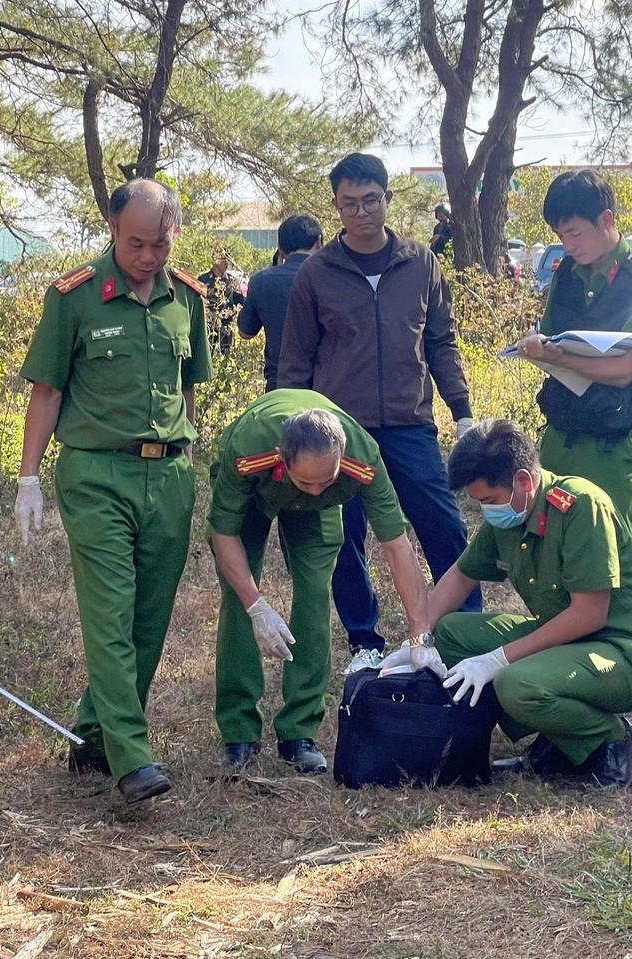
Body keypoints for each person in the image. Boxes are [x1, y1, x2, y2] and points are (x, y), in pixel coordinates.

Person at [14, 179, 212, 805]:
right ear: (112, 227)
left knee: (149, 617)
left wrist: (185, 447)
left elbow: (186, 389)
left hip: (170, 475)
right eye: (136, 243)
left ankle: (95, 734)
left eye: (160, 244)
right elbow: (46, 391)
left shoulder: (189, 299)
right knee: (109, 613)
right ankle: (132, 757)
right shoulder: (75, 297)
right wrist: (28, 477)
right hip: (97, 472)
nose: (149, 256)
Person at [397, 419, 632, 788]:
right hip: (568, 642)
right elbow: (460, 576)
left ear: (523, 480)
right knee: (452, 633)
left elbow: (589, 614)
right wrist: (417, 640)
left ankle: (609, 739)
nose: (486, 511)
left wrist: (498, 658)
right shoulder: (510, 512)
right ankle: (557, 735)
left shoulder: (581, 506)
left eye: (488, 500)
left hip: (625, 652)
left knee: (516, 683)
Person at [278, 152, 480, 675]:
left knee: (443, 527)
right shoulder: (318, 274)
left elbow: (441, 342)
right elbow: (295, 359)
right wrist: (292, 427)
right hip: (339, 432)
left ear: (388, 199)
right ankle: (364, 641)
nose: (362, 212)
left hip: (410, 424)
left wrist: (462, 412)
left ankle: (463, 630)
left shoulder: (420, 263)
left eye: (371, 200)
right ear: (336, 207)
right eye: (349, 204)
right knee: (346, 536)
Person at [208, 390, 431, 774]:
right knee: (239, 598)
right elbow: (223, 533)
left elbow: (397, 547)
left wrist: (419, 634)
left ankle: (299, 732)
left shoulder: (363, 458)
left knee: (314, 595)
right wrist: (256, 604)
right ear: (283, 457)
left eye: (324, 479)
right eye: (305, 481)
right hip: (255, 495)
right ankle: (239, 732)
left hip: (323, 514)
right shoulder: (248, 449)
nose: (314, 488)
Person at [516, 170, 632, 545]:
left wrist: (560, 359)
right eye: (560, 237)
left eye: (575, 234)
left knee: (613, 550)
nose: (569, 246)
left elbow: (624, 370)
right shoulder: (566, 274)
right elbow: (552, 337)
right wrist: (536, 346)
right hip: (561, 433)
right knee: (557, 546)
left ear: (606, 220)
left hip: (611, 441)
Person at [238, 215, 323, 392]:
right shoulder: (332, 278)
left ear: (280, 249)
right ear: (319, 242)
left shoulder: (262, 281)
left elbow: (245, 332)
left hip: (280, 384)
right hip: (324, 384)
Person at [198, 247, 246, 357]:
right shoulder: (203, 280)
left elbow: (240, 300)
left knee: (226, 358)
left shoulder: (231, 280)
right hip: (209, 330)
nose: (227, 263)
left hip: (226, 330)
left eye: (228, 259)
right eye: (224, 259)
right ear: (216, 260)